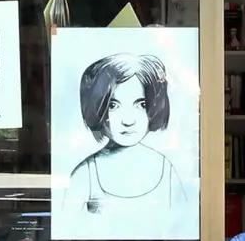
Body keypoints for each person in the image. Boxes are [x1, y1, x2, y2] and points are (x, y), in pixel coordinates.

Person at [61, 53, 187, 227]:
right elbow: (68, 230)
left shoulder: (166, 170)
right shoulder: (85, 175)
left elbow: (184, 222)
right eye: (113, 105)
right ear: (97, 107)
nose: (128, 120)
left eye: (141, 104)